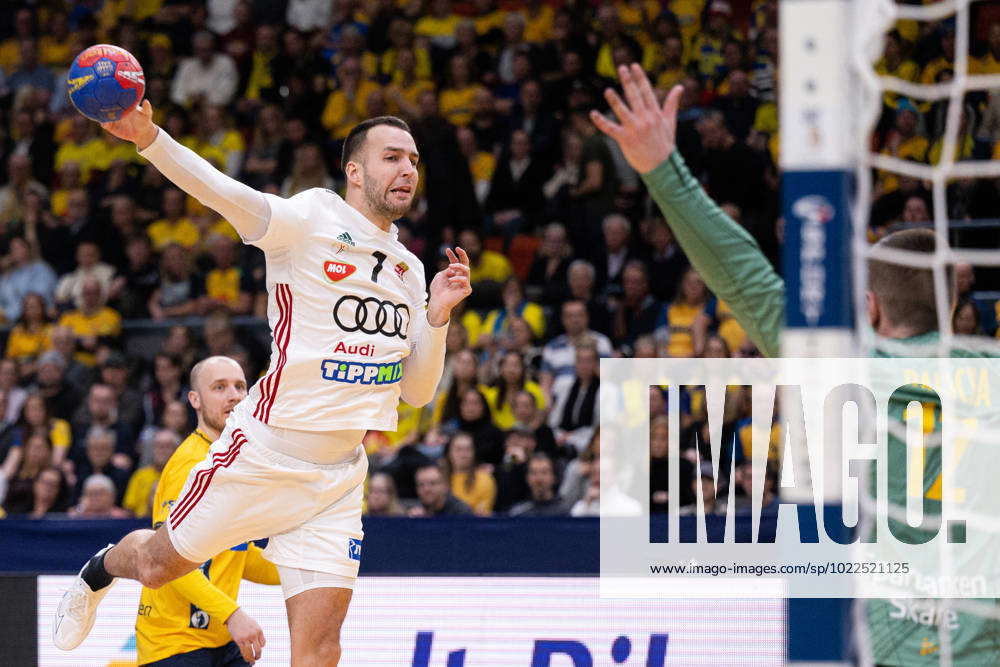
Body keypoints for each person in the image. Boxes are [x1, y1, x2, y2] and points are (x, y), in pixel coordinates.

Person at [590, 62, 998, 667]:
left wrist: (663, 169)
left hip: (900, 639)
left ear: (869, 304)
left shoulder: (853, 367)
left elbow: (745, 275)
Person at [55, 104, 472, 667]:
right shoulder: (309, 220)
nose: (407, 171)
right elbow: (222, 191)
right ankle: (102, 565)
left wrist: (438, 317)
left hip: (339, 479)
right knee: (156, 567)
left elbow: (418, 393)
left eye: (414, 161)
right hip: (263, 454)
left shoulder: (410, 269)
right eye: (392, 158)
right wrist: (149, 138)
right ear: (354, 170)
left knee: (320, 651)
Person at [135, 356, 280, 666]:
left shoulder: (237, 461)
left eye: (240, 386)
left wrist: (303, 568)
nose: (234, 395)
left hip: (219, 640)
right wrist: (233, 615)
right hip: (174, 643)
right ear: (195, 400)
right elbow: (165, 561)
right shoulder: (191, 463)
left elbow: (236, 555)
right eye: (219, 387)